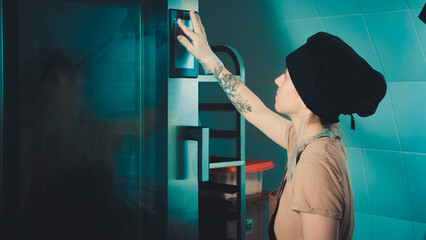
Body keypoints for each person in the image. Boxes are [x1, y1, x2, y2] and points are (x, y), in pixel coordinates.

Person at [177, 9, 386, 240]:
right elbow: (255, 111)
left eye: (286, 76)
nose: (277, 80)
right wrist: (209, 59)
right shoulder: (306, 142)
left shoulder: (316, 165)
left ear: (307, 97)